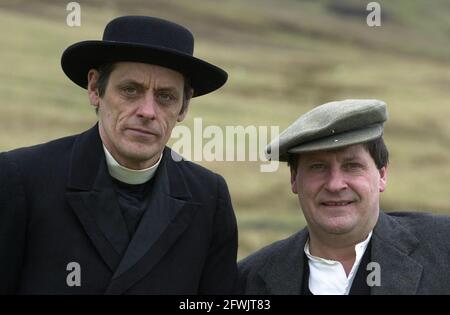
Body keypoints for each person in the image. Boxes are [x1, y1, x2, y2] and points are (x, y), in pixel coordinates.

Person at [0, 16, 238, 294]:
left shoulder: (209, 198)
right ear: (94, 88)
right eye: (130, 90)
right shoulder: (22, 179)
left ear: (184, 107)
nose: (148, 111)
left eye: (165, 96)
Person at [238, 99, 450, 295]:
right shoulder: (247, 281)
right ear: (294, 179)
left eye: (352, 166)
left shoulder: (443, 247)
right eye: (318, 167)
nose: (335, 184)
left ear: (382, 175)